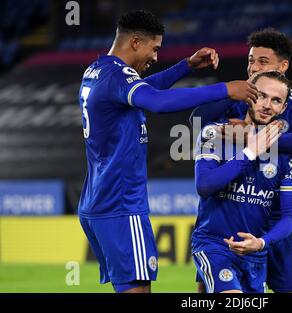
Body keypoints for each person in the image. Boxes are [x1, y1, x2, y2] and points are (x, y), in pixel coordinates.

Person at [77, 10, 258, 293]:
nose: (156, 57)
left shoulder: (98, 71)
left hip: (97, 202)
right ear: (136, 42)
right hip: (122, 204)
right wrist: (225, 89)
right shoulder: (118, 76)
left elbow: (143, 89)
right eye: (155, 48)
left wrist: (185, 66)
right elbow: (157, 101)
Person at [191, 28, 292, 293]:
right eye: (251, 60)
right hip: (229, 216)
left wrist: (253, 137)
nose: (253, 67)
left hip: (274, 213)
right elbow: (198, 122)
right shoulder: (241, 96)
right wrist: (229, 93)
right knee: (210, 289)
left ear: (282, 66)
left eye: (262, 61)